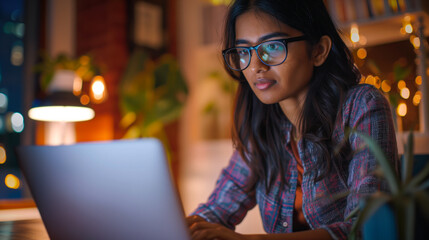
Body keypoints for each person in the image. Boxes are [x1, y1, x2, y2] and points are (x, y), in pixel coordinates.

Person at [186, 0, 398, 239]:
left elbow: (366, 227)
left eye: (273, 46)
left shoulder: (362, 106)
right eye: (244, 51)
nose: (256, 66)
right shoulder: (262, 123)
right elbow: (217, 209)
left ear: (318, 50)